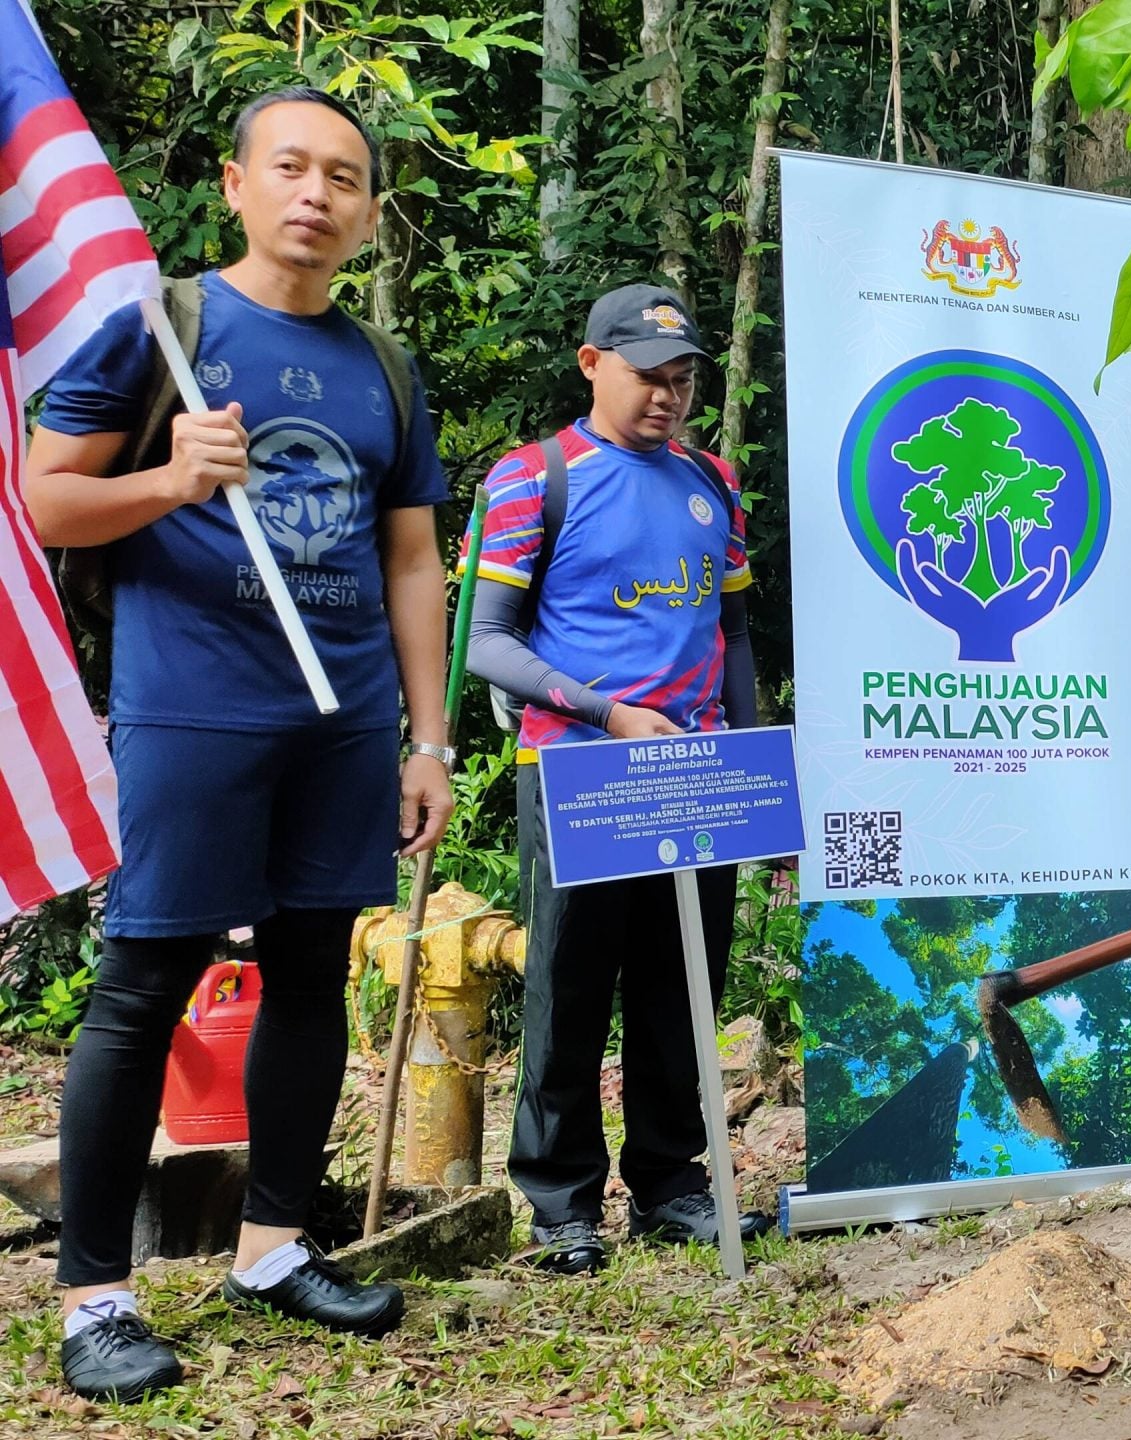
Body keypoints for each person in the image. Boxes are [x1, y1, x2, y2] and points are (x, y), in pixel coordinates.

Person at [25, 88, 452, 1402]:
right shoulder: (162, 327)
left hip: (345, 720)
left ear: (371, 213)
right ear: (234, 182)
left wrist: (427, 737)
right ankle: (97, 1297)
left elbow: (415, 556)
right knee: (145, 985)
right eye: (291, 168)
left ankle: (273, 1244)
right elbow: (49, 500)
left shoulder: (381, 368)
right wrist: (169, 478)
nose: (316, 193)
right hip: (196, 709)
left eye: (343, 177)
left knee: (317, 971)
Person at [467, 284, 774, 1275]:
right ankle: (560, 1204)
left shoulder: (712, 483)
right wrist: (602, 709)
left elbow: (729, 633)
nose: (667, 399)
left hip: (695, 769)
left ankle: (671, 1186)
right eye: (649, 377)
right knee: (569, 986)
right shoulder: (532, 479)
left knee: (682, 984)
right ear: (593, 363)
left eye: (682, 381)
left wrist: (753, 756)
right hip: (579, 773)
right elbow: (484, 643)